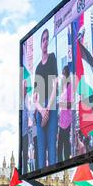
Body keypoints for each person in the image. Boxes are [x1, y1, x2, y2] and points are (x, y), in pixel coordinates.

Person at [33, 28, 58, 169]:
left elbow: (55, 86)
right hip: (41, 108)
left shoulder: (53, 57)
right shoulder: (37, 68)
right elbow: (34, 98)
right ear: (40, 43)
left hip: (51, 105)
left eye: (47, 39)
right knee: (41, 149)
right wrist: (42, 111)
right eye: (43, 39)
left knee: (52, 144)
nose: (45, 42)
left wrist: (48, 107)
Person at [57, 65, 72, 162]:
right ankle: (60, 164)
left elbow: (70, 104)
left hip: (67, 120)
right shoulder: (62, 89)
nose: (61, 75)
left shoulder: (70, 87)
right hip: (61, 121)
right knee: (59, 144)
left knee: (65, 143)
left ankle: (67, 163)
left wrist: (60, 104)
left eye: (63, 73)